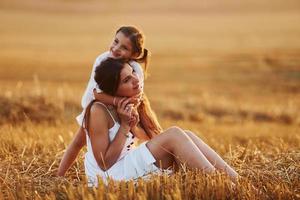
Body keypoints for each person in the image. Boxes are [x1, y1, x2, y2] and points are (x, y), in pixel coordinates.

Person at [83, 58, 239, 186]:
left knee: (186, 135)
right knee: (174, 135)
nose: (136, 80)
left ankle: (237, 181)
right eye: (126, 80)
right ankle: (226, 187)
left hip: (126, 163)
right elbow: (104, 163)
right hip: (108, 177)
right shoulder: (99, 110)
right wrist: (124, 126)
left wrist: (134, 127)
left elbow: (153, 137)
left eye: (132, 73)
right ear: (113, 90)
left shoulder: (129, 103)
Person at [57, 26, 159, 176]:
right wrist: (117, 101)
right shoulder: (103, 60)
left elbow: (137, 95)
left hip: (122, 108)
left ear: (135, 54)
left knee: (146, 131)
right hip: (98, 106)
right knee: (79, 141)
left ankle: (156, 154)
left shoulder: (136, 69)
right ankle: (59, 175)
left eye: (124, 47)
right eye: (115, 41)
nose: (116, 48)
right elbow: (96, 94)